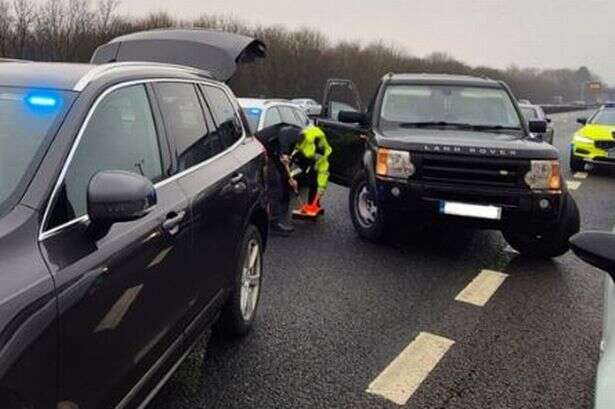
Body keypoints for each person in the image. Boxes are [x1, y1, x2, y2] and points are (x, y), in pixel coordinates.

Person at [290, 124, 332, 218]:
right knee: (303, 172)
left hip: (311, 153)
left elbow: (323, 174)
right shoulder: (303, 140)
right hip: (302, 152)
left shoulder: (323, 157)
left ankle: (313, 204)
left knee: (314, 178)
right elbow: (291, 155)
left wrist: (321, 188)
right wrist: (291, 177)